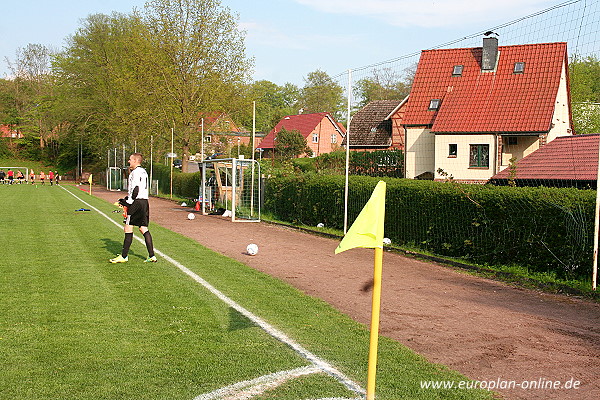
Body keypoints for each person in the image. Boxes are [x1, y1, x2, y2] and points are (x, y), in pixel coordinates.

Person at [110, 153, 157, 263]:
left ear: (136, 160)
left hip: (136, 202)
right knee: (143, 228)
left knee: (128, 227)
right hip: (144, 202)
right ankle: (152, 255)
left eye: (130, 159)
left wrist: (128, 202)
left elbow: (135, 189)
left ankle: (124, 256)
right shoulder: (144, 171)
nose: (128, 161)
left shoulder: (134, 173)